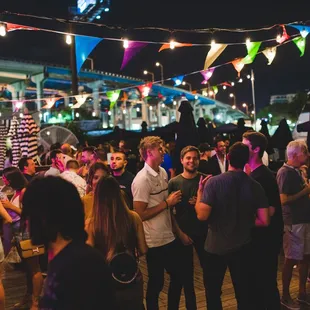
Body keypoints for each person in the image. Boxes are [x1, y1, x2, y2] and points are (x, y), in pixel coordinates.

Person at [22, 177, 116, 309]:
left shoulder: (81, 264)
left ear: (45, 217)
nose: (26, 222)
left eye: (29, 214)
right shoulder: (65, 258)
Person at [195, 142, 269, 310]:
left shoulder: (213, 183)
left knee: (213, 292)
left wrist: (200, 194)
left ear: (228, 157)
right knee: (243, 292)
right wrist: (244, 221)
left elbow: (202, 215)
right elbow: (264, 220)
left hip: (215, 247)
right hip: (242, 245)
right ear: (247, 160)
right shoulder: (254, 185)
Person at [132, 136, 184, 309]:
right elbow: (139, 214)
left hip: (168, 236)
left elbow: (167, 208)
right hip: (154, 240)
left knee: (177, 276)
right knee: (156, 282)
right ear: (148, 152)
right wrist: (167, 203)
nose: (164, 151)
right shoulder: (142, 180)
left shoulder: (162, 172)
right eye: (159, 149)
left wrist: (177, 230)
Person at [86, 175, 147, 309]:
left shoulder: (91, 224)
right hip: (131, 278)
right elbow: (143, 249)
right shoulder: (133, 217)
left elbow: (89, 258)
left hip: (104, 281)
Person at [243, 131, 283, 310]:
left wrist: (241, 220)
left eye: (244, 146)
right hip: (257, 241)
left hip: (265, 242)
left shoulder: (264, 177)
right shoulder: (253, 175)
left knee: (266, 285)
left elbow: (271, 211)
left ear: (256, 149)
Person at [168, 146, 208, 309]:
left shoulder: (205, 180)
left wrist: (201, 200)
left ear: (199, 160)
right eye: (188, 158)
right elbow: (169, 213)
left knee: (210, 273)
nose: (191, 161)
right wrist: (180, 233)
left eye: (194, 158)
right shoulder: (174, 182)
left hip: (203, 233)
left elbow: (213, 207)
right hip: (181, 233)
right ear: (182, 160)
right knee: (184, 277)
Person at [2, 167, 43, 310]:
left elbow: (29, 214)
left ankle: (35, 302)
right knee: (28, 269)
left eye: (6, 178)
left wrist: (9, 207)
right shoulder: (17, 192)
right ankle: (28, 296)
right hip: (20, 233)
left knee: (34, 269)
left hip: (28, 233)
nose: (4, 180)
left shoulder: (25, 191)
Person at [277, 139, 310, 309]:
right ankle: (285, 295)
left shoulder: (298, 171)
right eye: (305, 152)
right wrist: (306, 190)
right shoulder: (285, 173)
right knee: (291, 258)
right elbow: (283, 200)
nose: (308, 155)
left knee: (305, 256)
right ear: (295, 155)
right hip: (293, 222)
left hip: (303, 219)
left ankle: (302, 292)